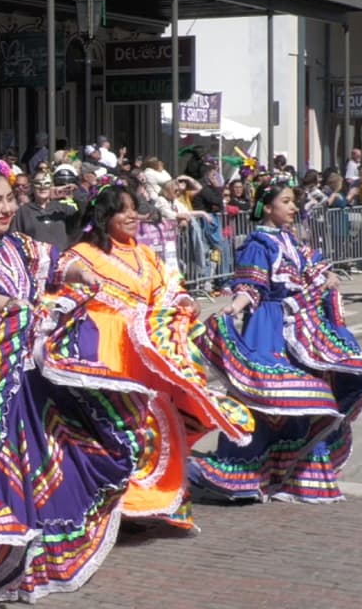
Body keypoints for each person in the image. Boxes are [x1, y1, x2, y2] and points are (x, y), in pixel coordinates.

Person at [0, 159, 141, 602]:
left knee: (31, 465)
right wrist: (13, 306)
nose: (5, 208)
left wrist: (81, 273)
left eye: (9, 199)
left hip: (22, 377)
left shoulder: (22, 246)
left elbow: (58, 264)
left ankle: (20, 566)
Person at [190, 180, 362, 503]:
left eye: (294, 202)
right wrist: (232, 309)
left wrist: (328, 279)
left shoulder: (290, 239)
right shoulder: (259, 243)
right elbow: (252, 286)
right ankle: (250, 474)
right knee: (269, 400)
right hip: (268, 325)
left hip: (300, 329)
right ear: (268, 207)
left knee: (304, 399)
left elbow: (317, 270)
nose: (293, 208)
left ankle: (296, 474)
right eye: (287, 202)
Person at [66, 183, 252, 530]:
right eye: (123, 209)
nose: (133, 215)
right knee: (114, 429)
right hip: (107, 356)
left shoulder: (143, 254)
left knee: (157, 425)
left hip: (149, 357)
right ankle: (115, 506)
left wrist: (182, 302)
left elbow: (168, 288)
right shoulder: (82, 255)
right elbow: (65, 299)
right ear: (104, 216)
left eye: (134, 208)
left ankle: (145, 503)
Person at [13, 171, 78, 249]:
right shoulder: (23, 211)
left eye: (46, 183)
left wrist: (75, 191)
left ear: (52, 186)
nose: (42, 187)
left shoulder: (63, 208)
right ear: (32, 187)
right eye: (38, 183)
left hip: (62, 258)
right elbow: (14, 239)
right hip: (36, 259)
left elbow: (84, 217)